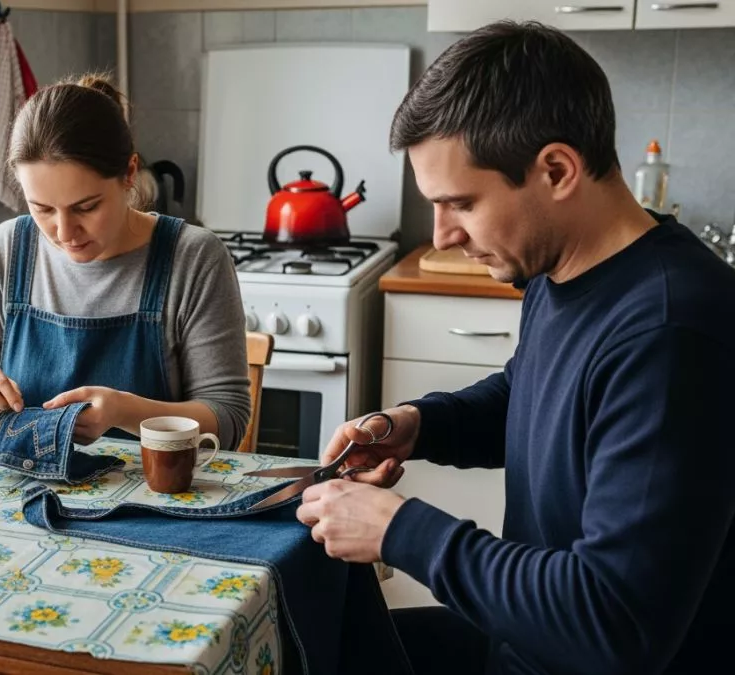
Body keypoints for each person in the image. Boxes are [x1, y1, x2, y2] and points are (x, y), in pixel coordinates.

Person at [295, 21, 735, 675]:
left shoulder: (672, 333)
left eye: (461, 204)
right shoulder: (557, 269)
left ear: (556, 169)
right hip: (527, 642)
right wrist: (417, 425)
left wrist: (399, 529)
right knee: (309, 641)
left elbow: (613, 620)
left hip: (578, 651)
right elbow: (534, 395)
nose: (442, 235)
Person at [0, 74, 251, 449]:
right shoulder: (8, 249)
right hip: (20, 492)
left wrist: (126, 412)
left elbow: (228, 418)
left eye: (86, 207)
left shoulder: (193, 257)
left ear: (130, 173)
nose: (65, 231)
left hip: (150, 496)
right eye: (43, 209)